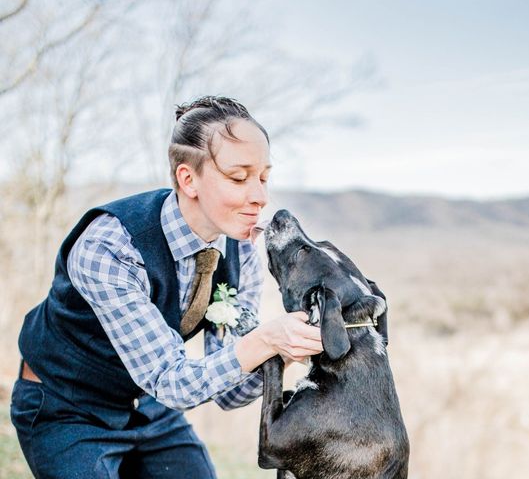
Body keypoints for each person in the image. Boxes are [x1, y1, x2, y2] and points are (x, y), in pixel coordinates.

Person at [10, 95, 324, 478]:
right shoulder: (109, 246)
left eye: (263, 177)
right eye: (239, 178)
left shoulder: (241, 250)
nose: (260, 197)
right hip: (65, 406)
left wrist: (289, 350)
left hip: (147, 404)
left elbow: (228, 392)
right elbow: (170, 381)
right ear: (187, 179)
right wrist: (266, 340)